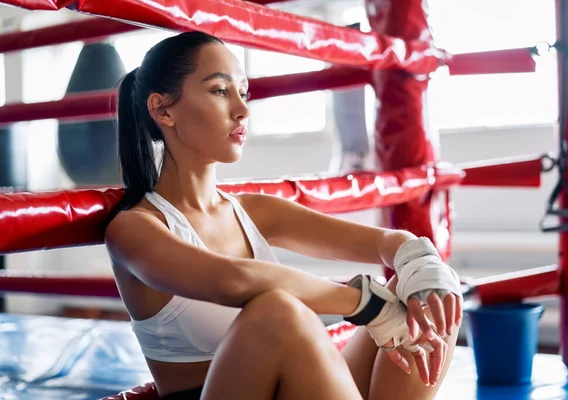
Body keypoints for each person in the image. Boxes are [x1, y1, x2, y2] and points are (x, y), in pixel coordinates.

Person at [104, 31, 463, 400]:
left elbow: (390, 243)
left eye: (243, 93)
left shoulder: (253, 211)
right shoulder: (134, 228)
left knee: (431, 286)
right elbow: (234, 280)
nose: (242, 110)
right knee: (277, 312)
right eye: (219, 90)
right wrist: (367, 304)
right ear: (163, 109)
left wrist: (418, 261)